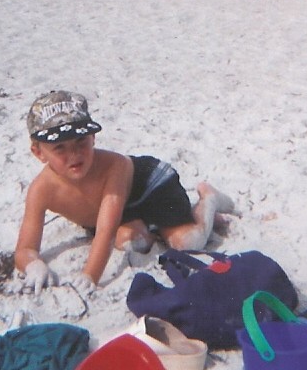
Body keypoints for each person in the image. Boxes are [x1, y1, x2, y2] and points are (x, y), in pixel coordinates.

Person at [14, 91, 234, 294]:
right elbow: (25, 249)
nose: (74, 154)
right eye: (59, 147)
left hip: (150, 186)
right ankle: (168, 223)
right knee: (129, 241)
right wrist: (33, 264)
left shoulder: (115, 165)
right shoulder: (40, 190)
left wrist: (89, 275)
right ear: (38, 152)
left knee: (187, 243)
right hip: (121, 211)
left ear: (93, 138)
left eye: (81, 141)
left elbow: (105, 232)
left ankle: (208, 198)